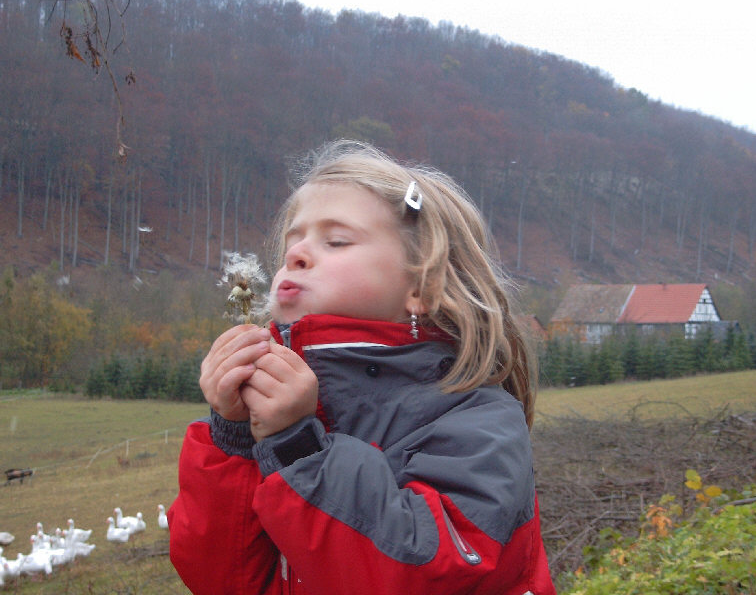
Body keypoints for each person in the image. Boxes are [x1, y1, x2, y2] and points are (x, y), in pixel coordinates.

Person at [168, 141, 556, 595]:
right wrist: (233, 440)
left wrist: (297, 449)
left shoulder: (478, 419)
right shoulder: (282, 417)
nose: (297, 255)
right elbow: (222, 581)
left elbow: (425, 576)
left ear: (422, 286)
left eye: (336, 241)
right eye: (293, 244)